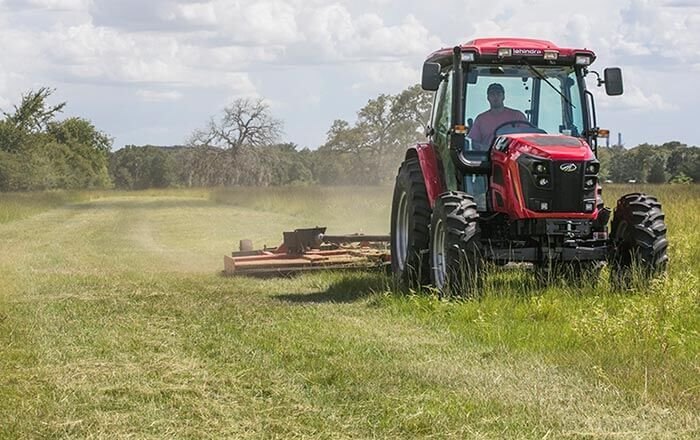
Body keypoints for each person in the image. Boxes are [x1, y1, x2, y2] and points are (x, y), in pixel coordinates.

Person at [468, 83, 527, 149]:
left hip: (511, 156)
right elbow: (474, 143)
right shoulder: (480, 119)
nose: (495, 96)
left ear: (503, 96)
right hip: (487, 157)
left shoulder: (517, 116)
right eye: (492, 94)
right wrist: (486, 149)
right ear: (488, 98)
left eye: (498, 94)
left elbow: (527, 140)